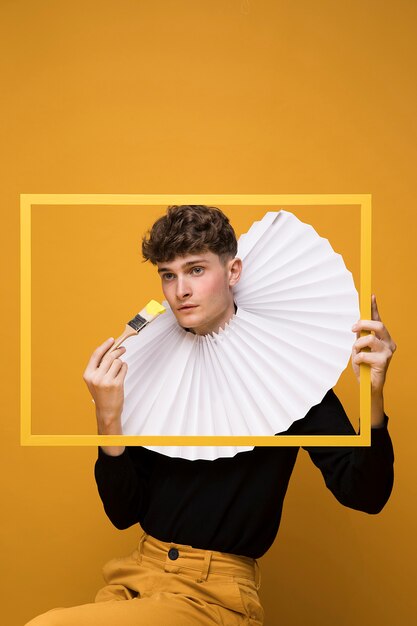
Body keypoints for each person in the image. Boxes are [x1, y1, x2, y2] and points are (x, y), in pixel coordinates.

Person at [26, 205, 395, 625]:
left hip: (213, 596)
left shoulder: (290, 373)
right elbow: (123, 512)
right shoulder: (151, 365)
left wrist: (374, 393)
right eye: (168, 275)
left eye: (196, 270)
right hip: (135, 578)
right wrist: (109, 418)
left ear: (233, 270)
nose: (181, 289)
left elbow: (365, 494)